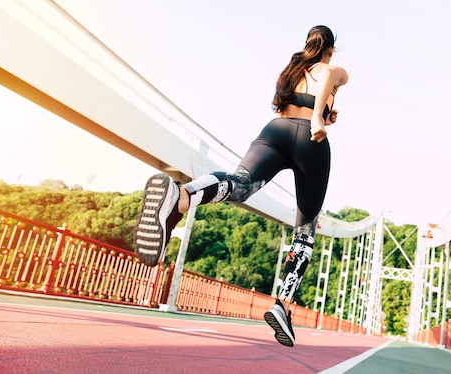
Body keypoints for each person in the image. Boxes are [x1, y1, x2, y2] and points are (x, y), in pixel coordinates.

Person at [133, 25, 348, 347]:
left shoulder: (289, 71)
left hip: (275, 130)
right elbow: (330, 76)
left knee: (242, 184)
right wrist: (320, 116)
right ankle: (283, 306)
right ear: (331, 47)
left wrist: (324, 113)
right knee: (304, 229)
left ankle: (181, 196)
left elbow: (289, 105)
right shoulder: (332, 68)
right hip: (309, 140)